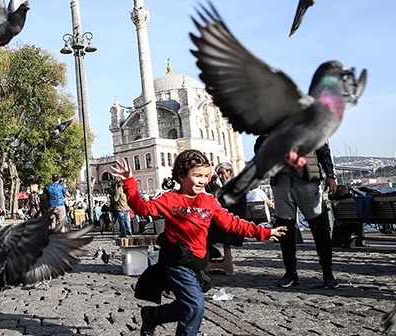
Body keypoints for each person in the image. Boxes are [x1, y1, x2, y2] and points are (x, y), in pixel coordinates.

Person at [110, 149, 286, 336]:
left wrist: (263, 232)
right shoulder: (170, 199)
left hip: (197, 263)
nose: (202, 180)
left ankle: (153, 315)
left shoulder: (208, 201)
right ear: (181, 176)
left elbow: (231, 222)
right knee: (195, 306)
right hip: (177, 262)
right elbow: (142, 208)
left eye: (205, 176)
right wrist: (129, 182)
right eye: (196, 176)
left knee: (188, 307)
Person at [257, 135, 340, 289]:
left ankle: (328, 273)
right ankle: (290, 273)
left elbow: (322, 149)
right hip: (281, 181)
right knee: (285, 229)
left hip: (307, 180)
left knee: (319, 227)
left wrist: (330, 175)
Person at [207, 162, 247, 260]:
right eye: (218, 174)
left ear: (230, 172)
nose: (220, 176)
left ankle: (212, 253)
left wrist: (213, 187)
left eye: (222, 173)